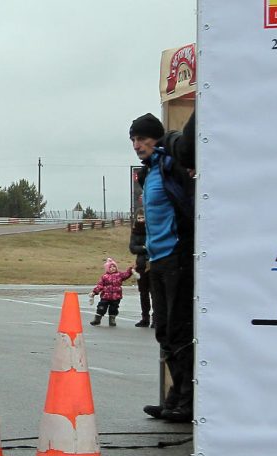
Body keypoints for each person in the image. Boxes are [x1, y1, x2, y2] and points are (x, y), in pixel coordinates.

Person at [129, 111, 196, 424]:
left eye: (142, 138)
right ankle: (175, 396)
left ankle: (188, 400)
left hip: (178, 257)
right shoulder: (149, 172)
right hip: (157, 260)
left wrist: (168, 144)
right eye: (133, 139)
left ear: (155, 138)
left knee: (180, 328)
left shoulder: (171, 166)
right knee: (163, 329)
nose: (136, 144)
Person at [88, 258, 135, 327]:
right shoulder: (104, 277)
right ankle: (97, 319)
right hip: (105, 296)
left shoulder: (120, 275)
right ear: (107, 269)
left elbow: (126, 274)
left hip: (116, 297)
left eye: (114, 266)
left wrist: (130, 269)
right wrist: (94, 292)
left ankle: (112, 320)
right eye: (110, 267)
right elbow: (100, 285)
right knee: (101, 307)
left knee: (114, 309)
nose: (113, 268)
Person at [129, 211, 152, 327]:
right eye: (139, 217)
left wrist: (145, 248)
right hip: (141, 265)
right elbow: (132, 248)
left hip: (152, 264)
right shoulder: (135, 232)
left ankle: (157, 318)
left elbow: (153, 245)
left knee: (155, 293)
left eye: (143, 217)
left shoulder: (151, 229)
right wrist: (144, 248)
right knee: (143, 293)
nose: (141, 219)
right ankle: (145, 317)